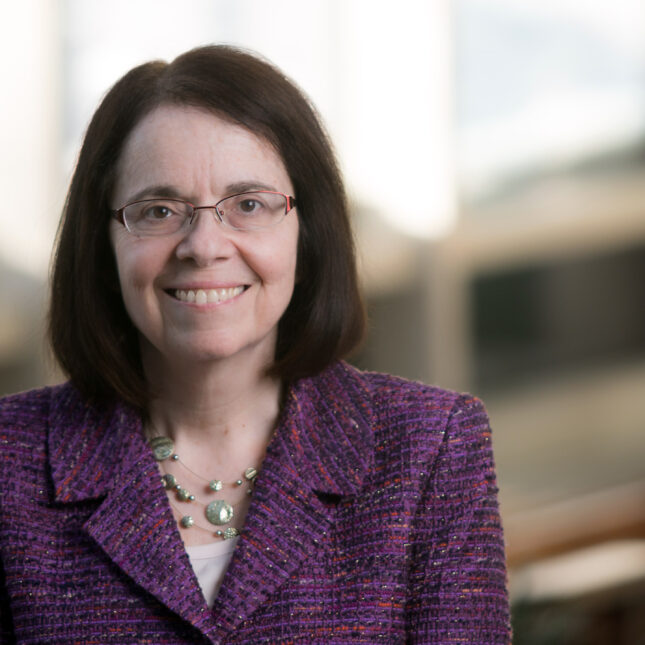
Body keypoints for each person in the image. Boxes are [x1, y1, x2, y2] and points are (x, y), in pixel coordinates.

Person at [0, 45, 510, 643]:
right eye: (160, 209)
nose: (205, 246)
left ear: (307, 230)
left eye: (248, 204)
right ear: (103, 243)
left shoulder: (431, 447)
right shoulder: (10, 463)